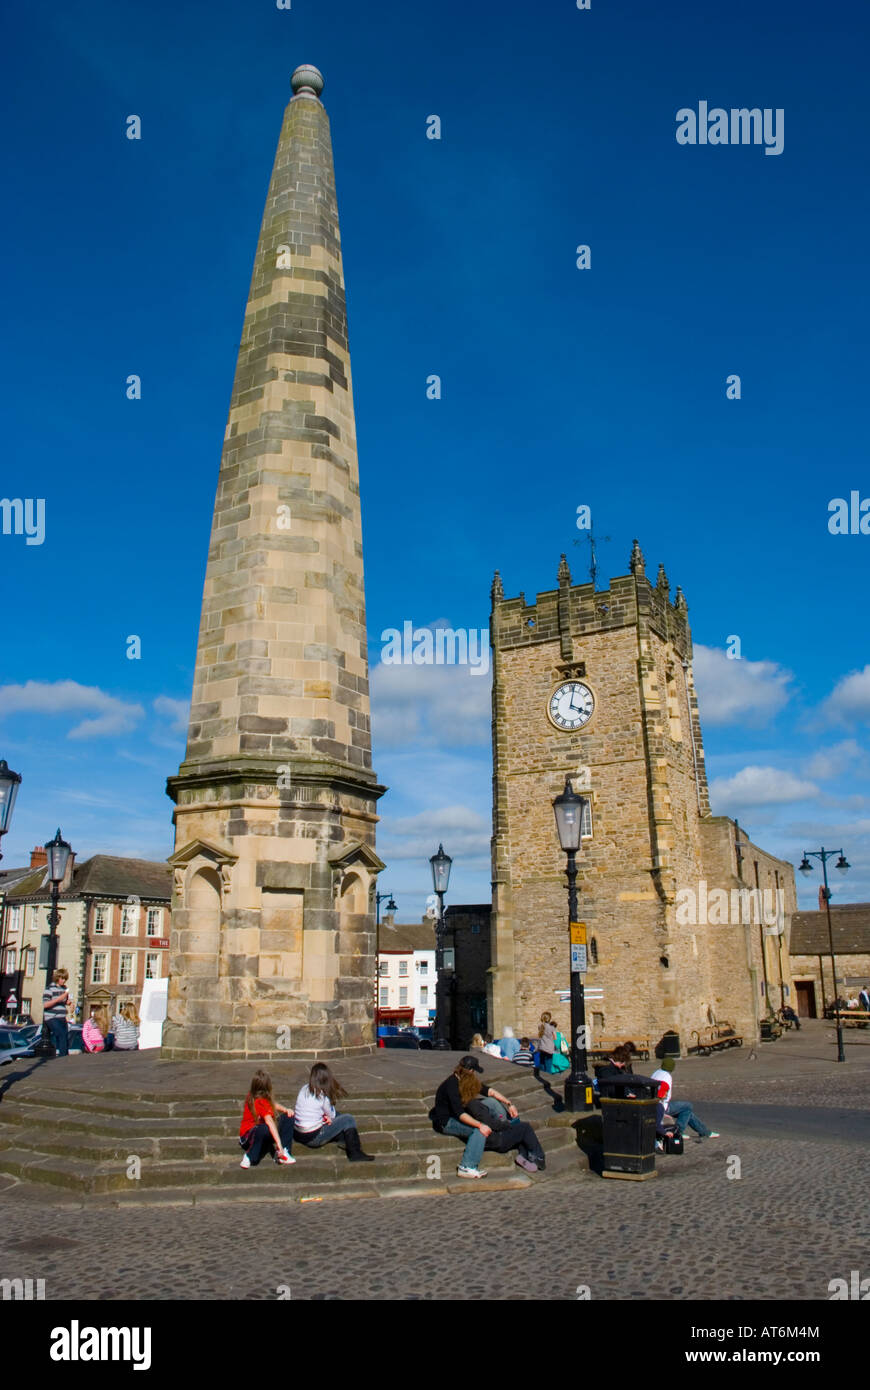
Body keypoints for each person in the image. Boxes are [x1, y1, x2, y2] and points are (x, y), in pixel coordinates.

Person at [429, 1055, 522, 1178]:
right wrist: (480, 1125)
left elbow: (490, 1092)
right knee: (479, 1131)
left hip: (461, 1113)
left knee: (491, 1101)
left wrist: (509, 1104)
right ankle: (467, 1166)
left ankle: (502, 1124)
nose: (475, 1074)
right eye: (475, 1071)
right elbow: (460, 1114)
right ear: (471, 1071)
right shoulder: (451, 1085)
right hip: (447, 1122)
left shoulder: (466, 1079)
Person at [293, 1063, 374, 1161]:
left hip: (298, 1134)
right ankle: (355, 1153)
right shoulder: (322, 1096)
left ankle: (343, 1140)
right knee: (348, 1119)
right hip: (313, 1138)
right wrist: (328, 1118)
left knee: (340, 1117)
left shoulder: (304, 1089)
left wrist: (325, 1118)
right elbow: (332, 1115)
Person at [466, 1092, 547, 1173]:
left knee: (518, 1130)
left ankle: (523, 1155)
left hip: (491, 1138)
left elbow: (490, 1091)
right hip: (497, 1140)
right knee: (525, 1127)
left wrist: (509, 1104)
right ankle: (539, 1158)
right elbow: (492, 1124)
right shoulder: (474, 1105)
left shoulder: (466, 1105)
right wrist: (508, 1124)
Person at [651, 1056, 719, 1140]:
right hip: (662, 1106)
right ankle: (678, 1132)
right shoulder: (667, 1076)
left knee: (687, 1112)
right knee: (688, 1106)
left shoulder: (656, 1072)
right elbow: (662, 1092)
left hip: (652, 1103)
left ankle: (705, 1132)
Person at [239, 1069, 295, 1167]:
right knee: (264, 1128)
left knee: (288, 1117)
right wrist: (279, 1144)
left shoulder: (259, 1097)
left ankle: (285, 1152)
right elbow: (269, 1121)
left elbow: (272, 1104)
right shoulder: (258, 1101)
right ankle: (249, 1156)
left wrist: (285, 1110)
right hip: (248, 1137)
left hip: (261, 1132)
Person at [42, 968, 71, 1057]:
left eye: (65, 979)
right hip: (52, 1017)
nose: (63, 981)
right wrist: (59, 998)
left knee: (65, 1036)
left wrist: (69, 1003)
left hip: (62, 1017)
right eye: (62, 978)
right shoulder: (49, 989)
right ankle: (63, 1056)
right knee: (61, 1034)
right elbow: (46, 1004)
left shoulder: (64, 989)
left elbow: (64, 1001)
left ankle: (64, 1054)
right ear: (57, 978)